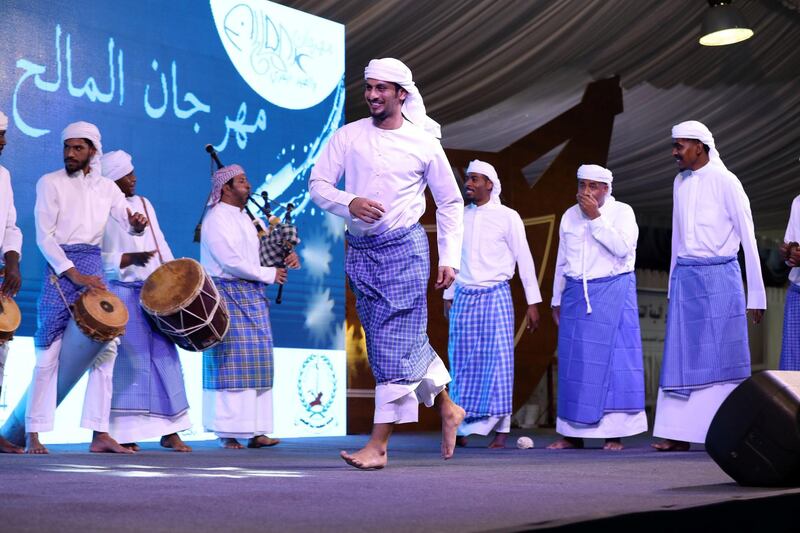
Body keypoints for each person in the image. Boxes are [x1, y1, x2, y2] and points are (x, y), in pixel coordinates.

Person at [309, 57, 465, 469]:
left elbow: (450, 201)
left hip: (406, 250)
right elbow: (317, 184)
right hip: (360, 253)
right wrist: (350, 202)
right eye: (369, 88)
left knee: (392, 344)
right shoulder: (348, 136)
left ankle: (378, 445)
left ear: (402, 94)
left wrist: (450, 258)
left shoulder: (424, 143)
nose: (373, 95)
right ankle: (448, 407)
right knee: (392, 343)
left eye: (382, 88)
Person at [25, 121, 148, 454]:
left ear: (93, 150)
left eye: (78, 148)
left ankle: (99, 434)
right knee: (48, 353)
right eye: (67, 147)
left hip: (93, 269)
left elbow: (128, 221)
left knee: (106, 352)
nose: (70, 154)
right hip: (61, 271)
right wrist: (73, 273)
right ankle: (33, 432)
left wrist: (137, 226)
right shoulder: (49, 183)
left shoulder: (108, 188)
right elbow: (43, 236)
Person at [652, 121, 766, 452]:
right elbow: (676, 238)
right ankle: (677, 434)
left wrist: (756, 294)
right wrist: (673, 287)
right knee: (681, 355)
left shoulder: (726, 181)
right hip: (685, 279)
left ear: (700, 146)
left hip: (720, 277)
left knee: (720, 355)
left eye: (680, 146)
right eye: (674, 146)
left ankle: (725, 433)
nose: (674, 152)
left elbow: (748, 237)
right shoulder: (679, 182)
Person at [547, 164, 647, 452]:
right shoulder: (568, 215)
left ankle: (613, 435)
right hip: (576, 295)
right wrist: (557, 298)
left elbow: (623, 248)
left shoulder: (623, 212)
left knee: (614, 363)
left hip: (613, 291)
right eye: (582, 185)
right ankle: (571, 434)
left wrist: (595, 218)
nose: (586, 192)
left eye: (593, 186)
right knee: (574, 363)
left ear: (605, 189)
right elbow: (561, 261)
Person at [442, 160, 540, 449]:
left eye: (475, 179)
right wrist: (448, 295)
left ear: (490, 184)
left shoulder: (508, 216)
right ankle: (461, 426)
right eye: (468, 178)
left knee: (497, 364)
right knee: (461, 364)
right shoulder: (459, 216)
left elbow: (524, 258)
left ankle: (501, 430)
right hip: (463, 295)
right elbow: (451, 256)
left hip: (496, 294)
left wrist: (533, 303)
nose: (469, 183)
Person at [201, 164, 298, 449]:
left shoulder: (248, 217)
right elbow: (230, 260)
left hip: (252, 295)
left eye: (247, 179)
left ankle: (257, 430)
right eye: (241, 181)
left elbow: (263, 251)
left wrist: (285, 256)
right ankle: (227, 432)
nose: (248, 184)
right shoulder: (216, 218)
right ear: (226, 188)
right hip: (227, 295)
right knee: (232, 361)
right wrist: (269, 274)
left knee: (259, 361)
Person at [101, 150, 192, 452]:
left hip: (155, 293)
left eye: (133, 171)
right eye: (127, 174)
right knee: (132, 364)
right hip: (123, 293)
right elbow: (102, 257)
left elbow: (159, 241)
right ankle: (126, 432)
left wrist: (174, 275)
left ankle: (172, 430)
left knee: (166, 359)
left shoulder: (143, 203)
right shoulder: (101, 208)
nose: (134, 178)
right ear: (113, 181)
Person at [0, 110, 24, 453]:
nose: (3, 141)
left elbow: (10, 226)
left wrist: (12, 260)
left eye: (3, 135)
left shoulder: (3, 175)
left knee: (0, 351)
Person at [779, 197, 800, 370]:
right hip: (797, 295)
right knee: (792, 369)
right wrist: (789, 253)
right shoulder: (798, 202)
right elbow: (791, 246)